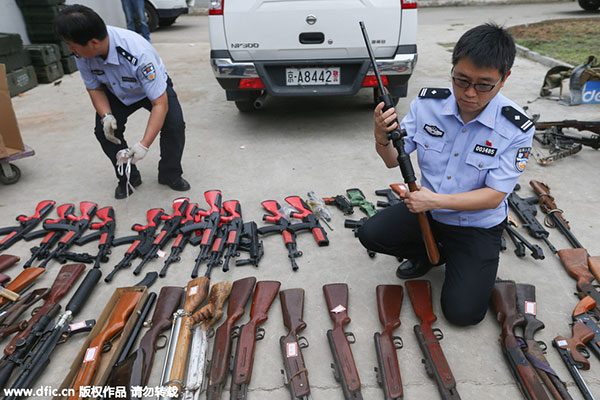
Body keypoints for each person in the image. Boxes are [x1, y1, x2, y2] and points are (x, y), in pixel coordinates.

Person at [358, 23, 534, 326]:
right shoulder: (429, 105)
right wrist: (380, 135)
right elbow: (391, 160)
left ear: (504, 79)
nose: (468, 93)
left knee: (462, 314)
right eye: (461, 79)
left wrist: (434, 201)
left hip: (476, 226)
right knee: (369, 233)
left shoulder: (515, 129)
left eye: (483, 85)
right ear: (452, 69)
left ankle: (462, 261)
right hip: (429, 214)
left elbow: (494, 197)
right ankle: (430, 254)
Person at [55, 5, 190, 199]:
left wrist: (144, 144)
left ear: (93, 42)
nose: (70, 49)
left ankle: (170, 174)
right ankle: (128, 177)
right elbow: (94, 88)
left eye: (71, 44)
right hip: (114, 90)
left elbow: (160, 104)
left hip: (149, 89)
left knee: (174, 126)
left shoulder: (138, 53)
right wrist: (106, 116)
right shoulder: (81, 52)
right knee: (104, 132)